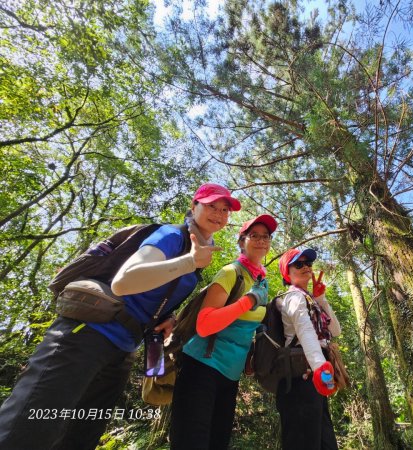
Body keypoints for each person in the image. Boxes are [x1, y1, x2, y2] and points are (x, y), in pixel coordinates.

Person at [0, 183, 240, 450]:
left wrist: (167, 319)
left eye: (224, 209)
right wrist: (189, 262)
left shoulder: (199, 255)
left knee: (81, 435)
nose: (218, 213)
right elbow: (124, 282)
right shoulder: (171, 236)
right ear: (193, 206)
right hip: (87, 335)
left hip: (122, 350)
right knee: (32, 423)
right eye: (211, 206)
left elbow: (154, 297)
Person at [170, 214, 277, 450]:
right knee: (191, 441)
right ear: (242, 242)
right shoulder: (231, 272)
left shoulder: (261, 281)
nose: (260, 240)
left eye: (266, 236)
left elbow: (246, 325)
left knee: (217, 443)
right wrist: (248, 301)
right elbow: (205, 324)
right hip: (201, 367)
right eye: (254, 236)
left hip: (230, 375)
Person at [275, 248, 341, 450]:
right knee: (304, 440)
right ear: (287, 272)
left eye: (308, 264)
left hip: (313, 373)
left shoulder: (309, 299)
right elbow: (304, 331)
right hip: (300, 376)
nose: (306, 267)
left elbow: (335, 331)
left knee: (324, 439)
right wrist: (320, 366)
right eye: (298, 264)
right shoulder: (293, 297)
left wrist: (321, 299)